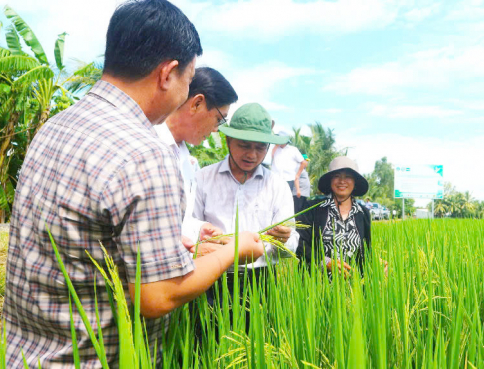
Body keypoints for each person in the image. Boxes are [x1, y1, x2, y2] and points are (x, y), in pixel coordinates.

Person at [3, 1, 263, 367]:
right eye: (188, 80)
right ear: (168, 74)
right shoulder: (144, 153)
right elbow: (157, 297)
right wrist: (232, 251)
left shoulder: (55, 127)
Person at [193, 103, 297, 310]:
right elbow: (189, 228)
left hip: (260, 282)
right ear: (228, 140)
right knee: (207, 338)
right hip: (211, 276)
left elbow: (292, 244)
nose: (252, 155)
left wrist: (284, 240)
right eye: (244, 145)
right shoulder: (203, 178)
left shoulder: (277, 185)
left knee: (260, 341)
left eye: (260, 148)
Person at [154, 67, 237, 243]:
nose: (216, 129)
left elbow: (178, 221)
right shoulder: (149, 146)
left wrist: (199, 229)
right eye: (218, 119)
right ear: (197, 103)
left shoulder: (189, 162)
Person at [296, 156, 372, 276]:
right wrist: (324, 262)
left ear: (355, 182)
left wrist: (376, 264)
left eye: (348, 176)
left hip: (353, 285)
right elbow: (299, 242)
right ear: (330, 181)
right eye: (337, 176)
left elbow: (366, 249)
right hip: (317, 284)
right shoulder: (312, 209)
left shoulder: (362, 213)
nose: (342, 181)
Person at [271, 133, 309, 213]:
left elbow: (304, 162)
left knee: (286, 202)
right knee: (275, 201)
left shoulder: (293, 149)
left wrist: (297, 175)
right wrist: (276, 146)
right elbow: (270, 157)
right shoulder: (274, 149)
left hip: (289, 179)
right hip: (275, 178)